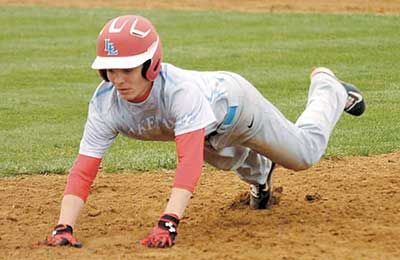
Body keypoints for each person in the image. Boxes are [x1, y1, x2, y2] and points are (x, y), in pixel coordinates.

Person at [41, 14, 365, 248]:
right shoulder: (104, 105)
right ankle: (262, 175)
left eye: (127, 68)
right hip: (208, 132)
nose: (118, 78)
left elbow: (188, 161)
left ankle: (328, 88)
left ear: (150, 65)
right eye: (110, 69)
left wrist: (169, 221)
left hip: (239, 109)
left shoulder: (180, 93)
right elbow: (84, 170)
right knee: (225, 158)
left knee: (304, 155)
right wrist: (63, 226)